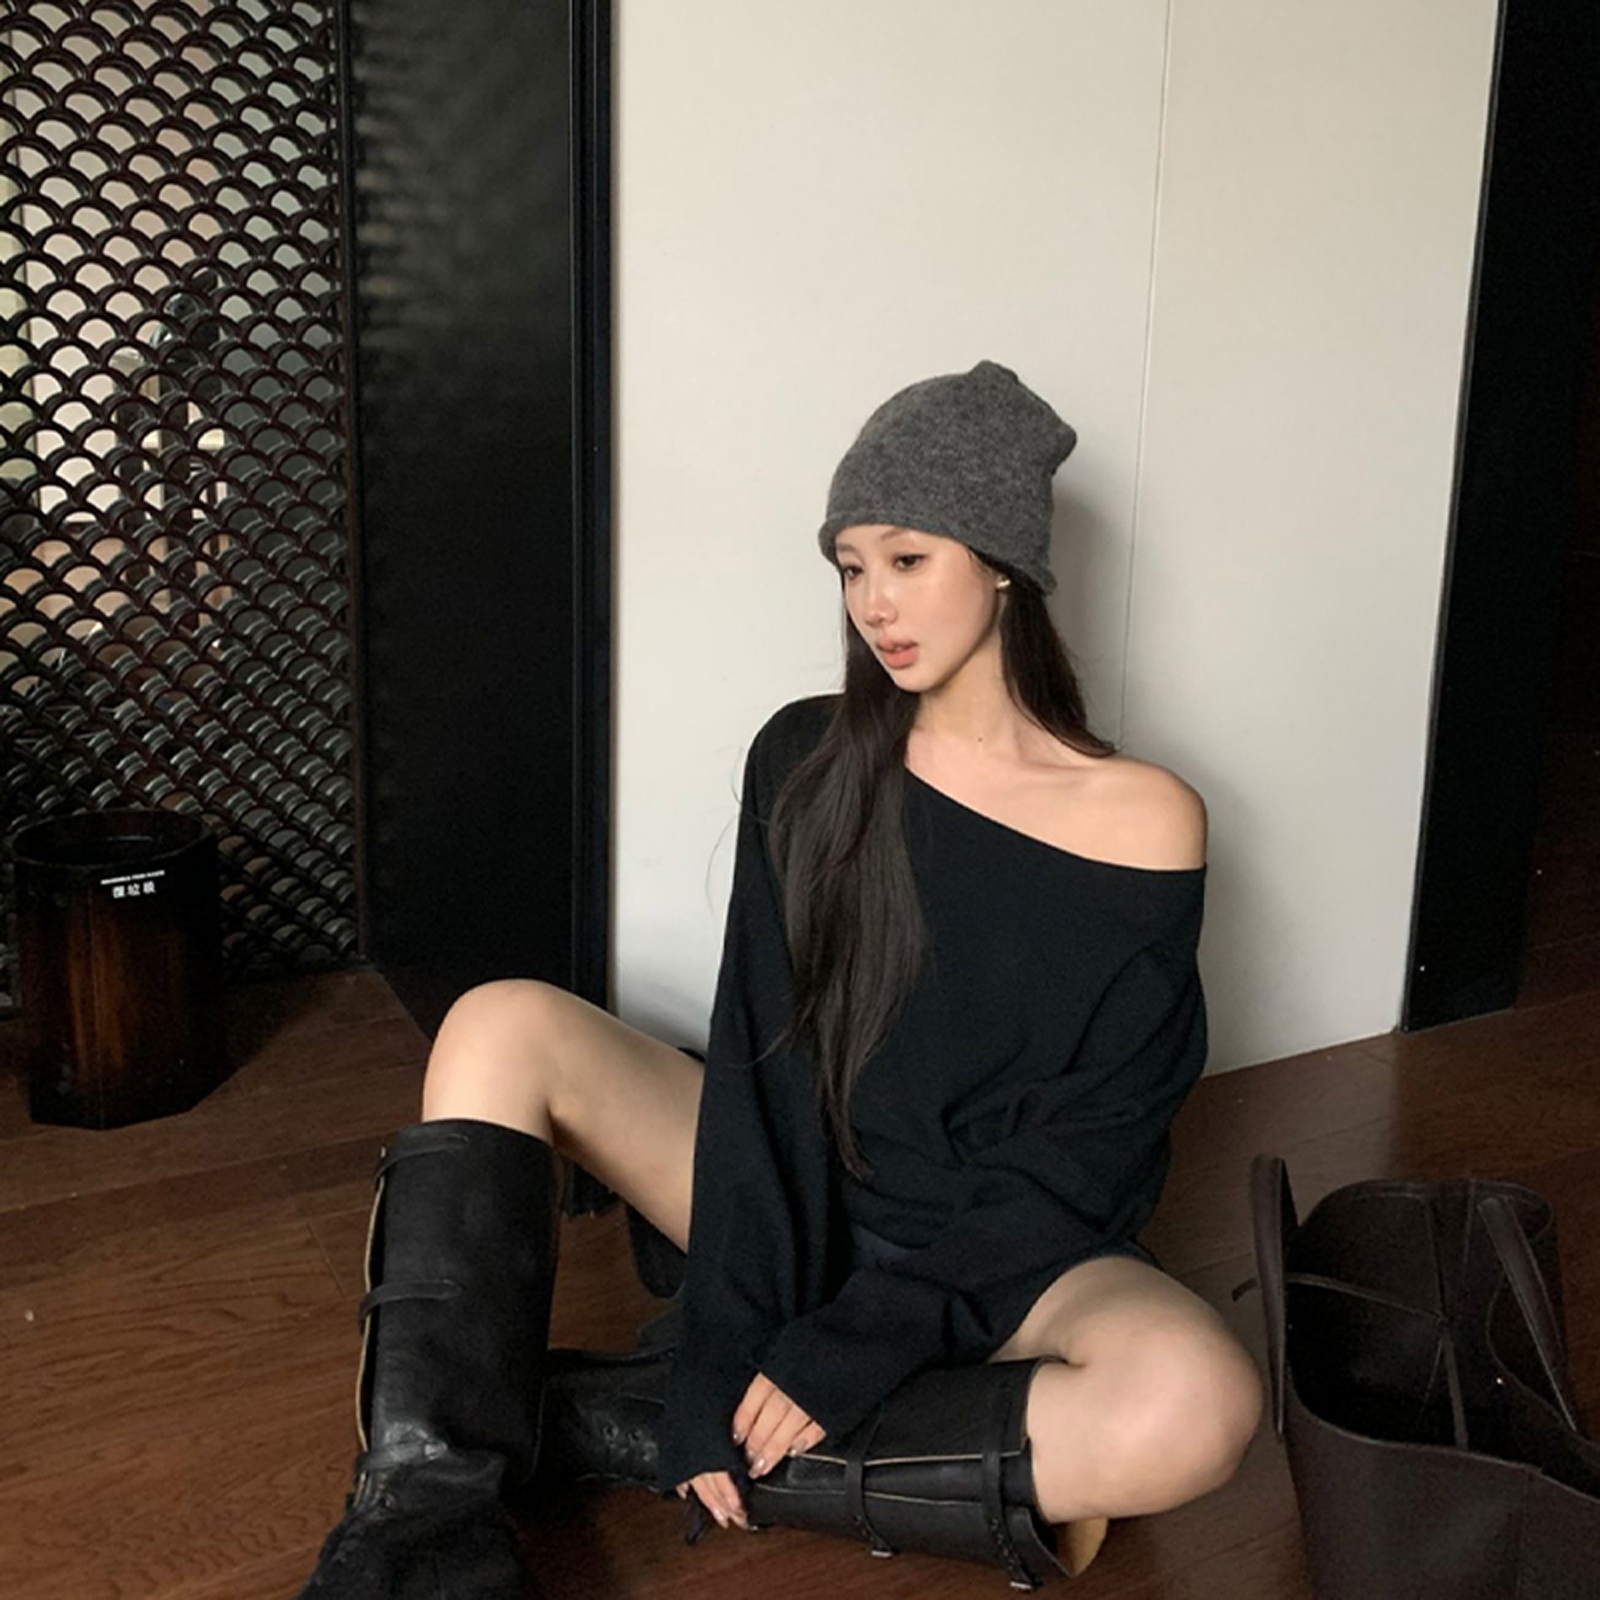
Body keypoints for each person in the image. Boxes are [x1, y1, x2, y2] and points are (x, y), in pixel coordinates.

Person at [295, 359, 1263, 1599]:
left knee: (1194, 1405)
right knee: (499, 1022)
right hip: (806, 1194)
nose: (873, 602)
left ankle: (597, 1419)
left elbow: (1096, 1147)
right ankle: (424, 1526)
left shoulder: (1144, 818)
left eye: (905, 558)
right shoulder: (809, 758)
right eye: (849, 566)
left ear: (1003, 563)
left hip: (1007, 1246)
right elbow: (767, 1066)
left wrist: (863, 1338)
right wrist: (732, 1338)